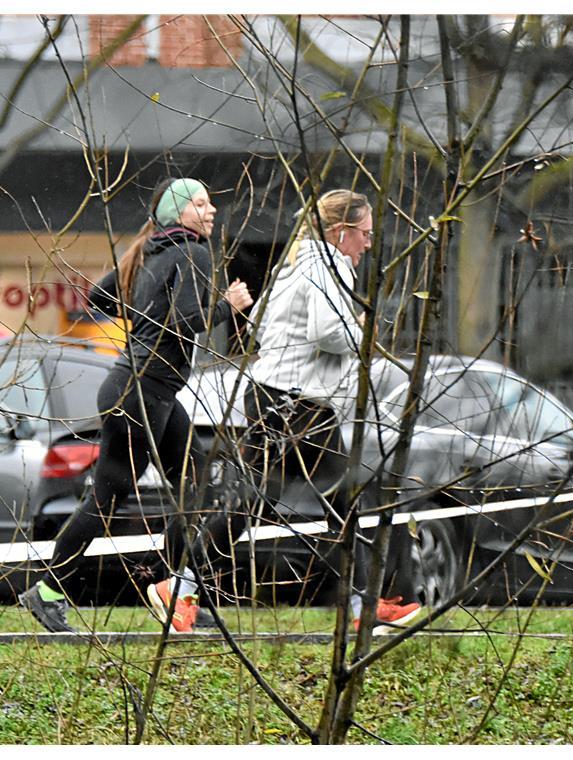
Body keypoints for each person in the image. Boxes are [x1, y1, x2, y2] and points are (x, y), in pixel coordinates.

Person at [146, 188, 423, 633]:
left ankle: (182, 586)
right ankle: (373, 603)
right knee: (345, 500)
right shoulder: (331, 264)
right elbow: (327, 332)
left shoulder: (294, 263)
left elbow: (256, 324)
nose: (369, 244)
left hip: (272, 395)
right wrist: (362, 329)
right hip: (298, 405)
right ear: (341, 232)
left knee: (269, 501)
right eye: (365, 234)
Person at [19, 177, 253, 633]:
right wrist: (227, 306)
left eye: (210, 202)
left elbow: (102, 297)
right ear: (179, 213)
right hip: (141, 390)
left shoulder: (152, 249)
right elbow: (186, 322)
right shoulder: (192, 252)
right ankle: (48, 591)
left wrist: (145, 309)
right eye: (201, 204)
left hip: (149, 388)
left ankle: (174, 592)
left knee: (194, 486)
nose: (211, 211)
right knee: (108, 497)